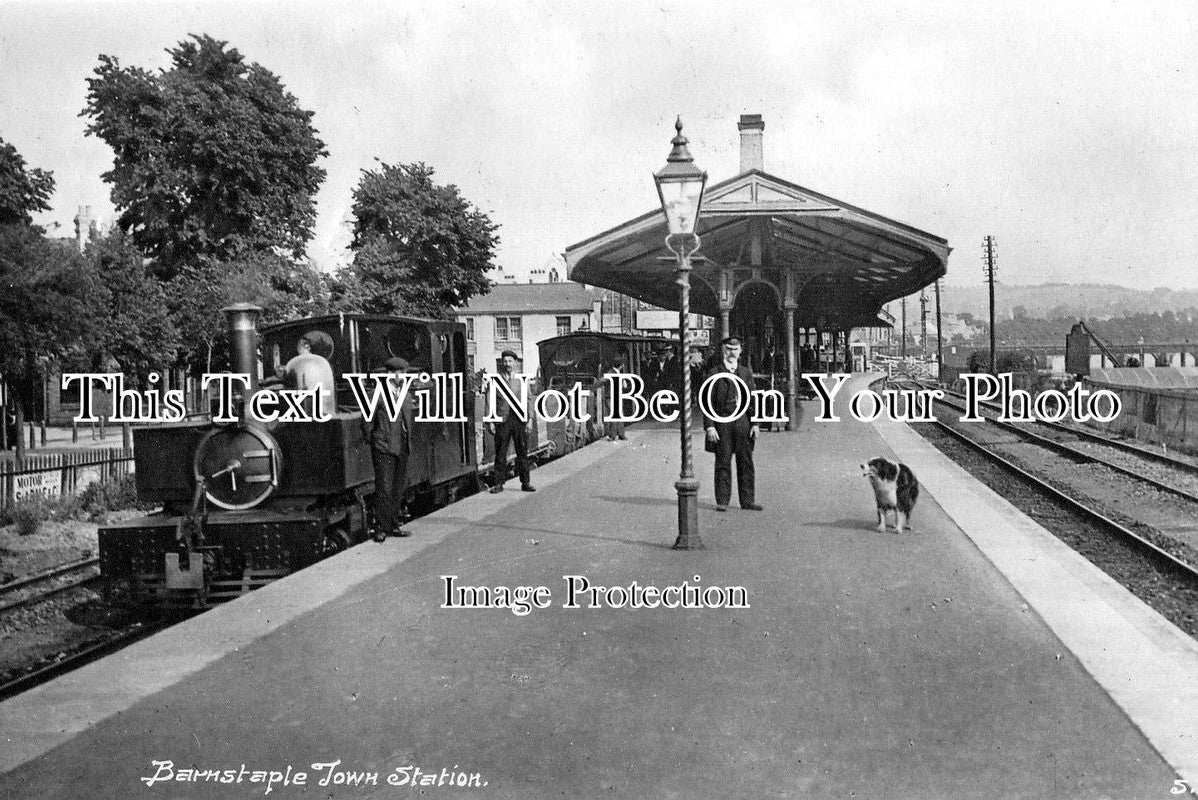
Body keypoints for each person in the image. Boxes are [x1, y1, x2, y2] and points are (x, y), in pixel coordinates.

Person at [702, 335, 762, 512]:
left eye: (735, 349)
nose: (732, 352)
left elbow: (752, 399)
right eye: (728, 349)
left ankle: (748, 501)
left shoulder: (745, 372)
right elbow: (706, 401)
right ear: (723, 350)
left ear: (740, 351)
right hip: (722, 422)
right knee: (723, 461)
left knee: (746, 462)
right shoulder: (714, 373)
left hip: (743, 421)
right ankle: (722, 500)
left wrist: (756, 423)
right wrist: (710, 426)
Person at [365, 356, 417, 541]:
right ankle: (380, 527)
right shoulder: (377, 394)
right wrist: (376, 441)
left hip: (402, 446)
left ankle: (393, 524)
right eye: (394, 372)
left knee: (397, 488)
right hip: (384, 447)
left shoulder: (406, 394)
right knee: (384, 488)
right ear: (387, 374)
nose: (398, 375)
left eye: (402, 372)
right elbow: (367, 422)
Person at [488, 350, 535, 494]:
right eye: (505, 361)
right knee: (500, 453)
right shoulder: (496, 380)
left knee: (522, 452)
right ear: (502, 363)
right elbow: (490, 401)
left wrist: (530, 419)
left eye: (510, 361)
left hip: (519, 420)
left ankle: (525, 483)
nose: (507, 364)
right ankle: (498, 484)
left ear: (515, 362)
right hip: (502, 420)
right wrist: (490, 420)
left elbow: (529, 400)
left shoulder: (522, 380)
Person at [601, 356, 628, 441]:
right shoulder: (611, 372)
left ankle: (620, 434)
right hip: (611, 397)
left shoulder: (617, 373)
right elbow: (603, 380)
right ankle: (613, 435)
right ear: (621, 365)